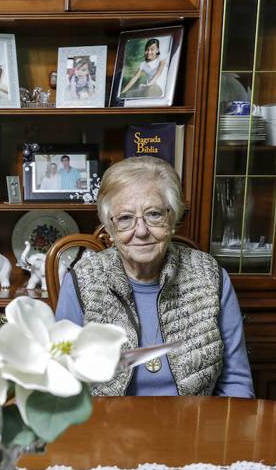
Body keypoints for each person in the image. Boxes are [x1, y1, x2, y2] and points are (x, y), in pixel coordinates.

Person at [55, 156, 254, 398]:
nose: (141, 231)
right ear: (110, 226)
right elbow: (62, 382)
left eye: (154, 214)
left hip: (194, 427)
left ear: (172, 219)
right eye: (126, 218)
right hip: (107, 429)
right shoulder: (82, 280)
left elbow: (236, 382)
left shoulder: (211, 278)